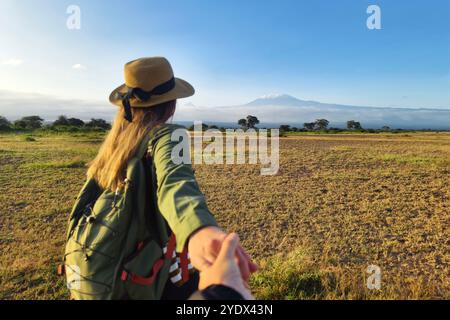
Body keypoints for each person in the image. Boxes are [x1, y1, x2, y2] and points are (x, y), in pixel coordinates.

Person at [63, 57, 257, 300]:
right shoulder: (169, 135)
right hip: (148, 267)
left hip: (116, 263)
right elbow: (175, 182)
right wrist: (199, 230)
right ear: (171, 104)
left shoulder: (117, 142)